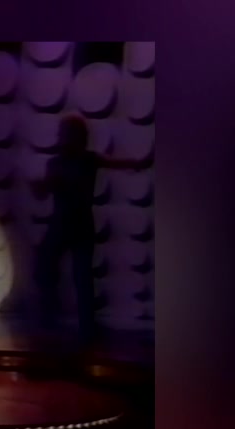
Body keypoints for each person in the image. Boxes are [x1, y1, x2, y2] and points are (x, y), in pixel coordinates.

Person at [32, 115, 152, 342]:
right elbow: (42, 193)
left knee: (82, 277)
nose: (60, 137)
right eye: (61, 133)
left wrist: (138, 163)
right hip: (63, 224)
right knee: (50, 270)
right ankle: (52, 321)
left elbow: (117, 163)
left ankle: (84, 328)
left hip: (78, 225)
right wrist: (40, 187)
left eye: (65, 133)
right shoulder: (56, 163)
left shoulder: (88, 159)